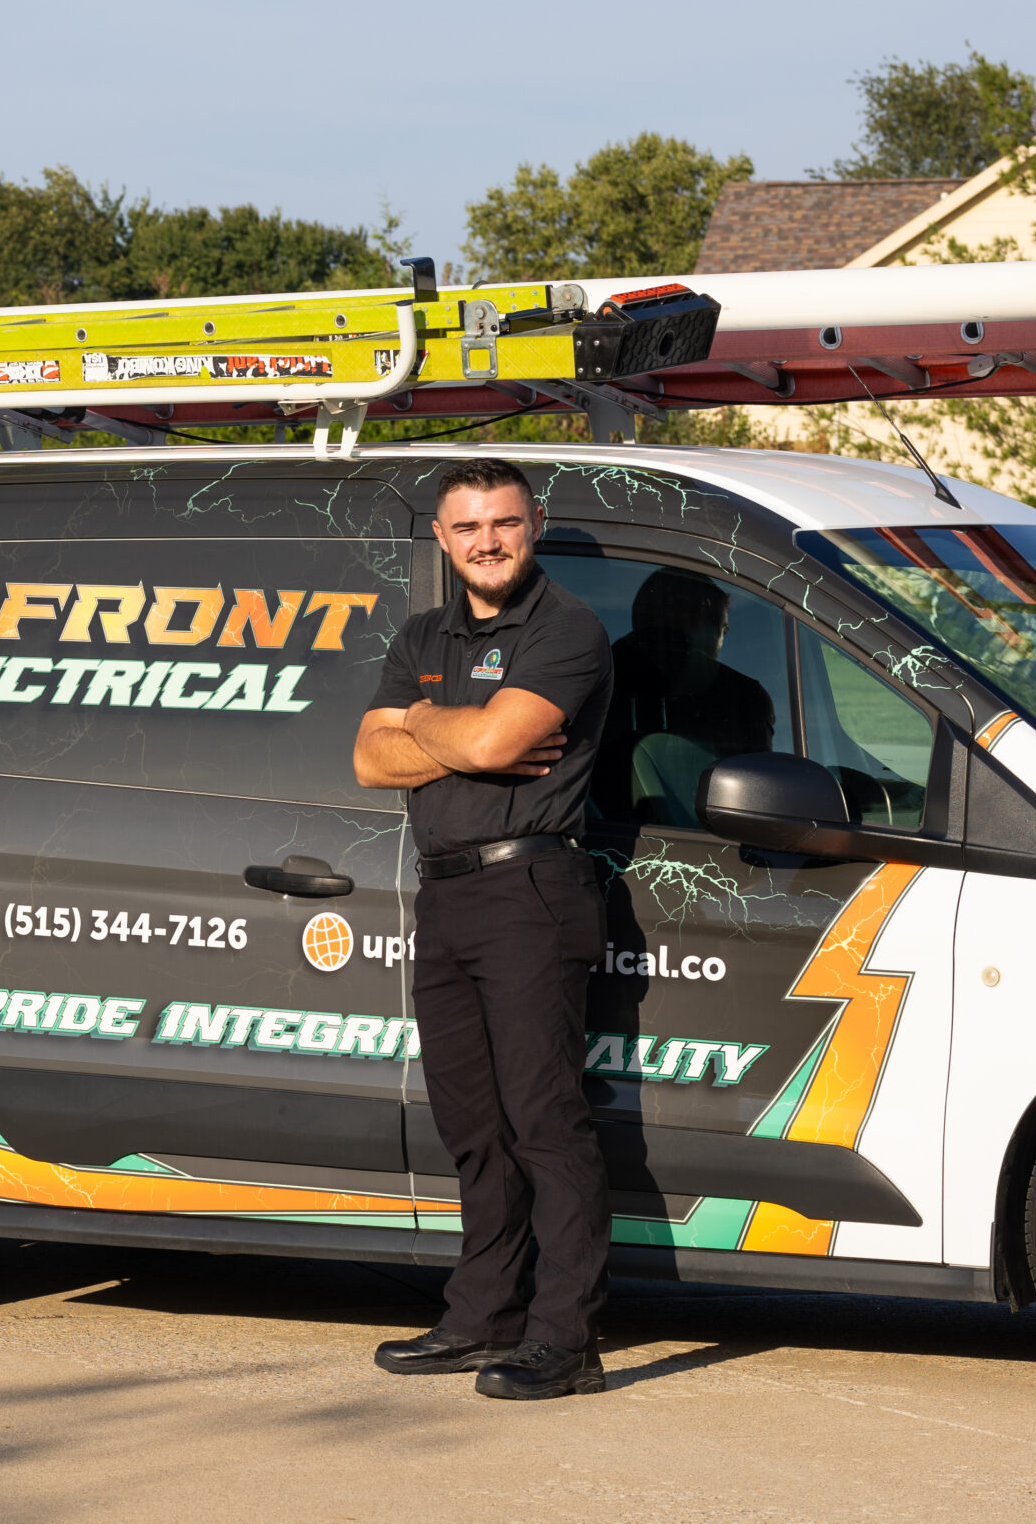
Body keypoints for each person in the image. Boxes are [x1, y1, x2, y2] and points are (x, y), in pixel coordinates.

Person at [352, 456, 615, 1400]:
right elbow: (369, 762)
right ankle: (482, 1317)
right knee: (473, 1122)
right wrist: (443, 724)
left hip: (531, 890)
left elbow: (505, 744)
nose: (487, 542)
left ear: (531, 523)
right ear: (442, 538)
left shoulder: (568, 629)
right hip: (448, 894)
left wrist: (420, 724)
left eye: (502, 523)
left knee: (545, 1119)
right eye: (468, 528)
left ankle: (566, 1337)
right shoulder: (423, 633)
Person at [598, 568, 777, 826]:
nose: (722, 643)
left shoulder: (592, 677)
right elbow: (765, 806)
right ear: (704, 614)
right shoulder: (742, 696)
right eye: (724, 630)